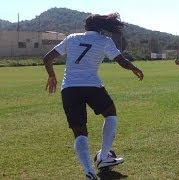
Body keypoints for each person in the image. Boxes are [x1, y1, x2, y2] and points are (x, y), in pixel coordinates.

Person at [43, 13, 144, 180]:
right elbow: (121, 60)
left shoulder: (71, 38)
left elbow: (47, 58)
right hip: (92, 86)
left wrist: (52, 76)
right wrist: (134, 68)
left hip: (69, 89)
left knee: (79, 131)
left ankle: (89, 171)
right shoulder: (104, 41)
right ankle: (104, 156)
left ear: (86, 27)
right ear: (101, 27)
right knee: (110, 113)